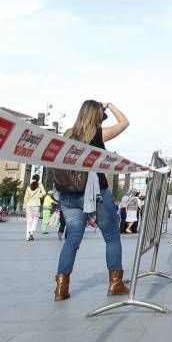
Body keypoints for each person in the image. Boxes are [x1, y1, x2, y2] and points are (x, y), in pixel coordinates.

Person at [53, 100, 131, 301]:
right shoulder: (97, 133)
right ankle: (115, 283)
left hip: (69, 194)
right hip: (95, 192)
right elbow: (124, 123)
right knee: (112, 236)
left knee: (72, 239)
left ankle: (61, 287)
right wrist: (111, 105)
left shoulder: (68, 134)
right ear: (97, 115)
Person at [23, 176, 45, 241]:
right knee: (35, 218)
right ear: (38, 179)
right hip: (36, 204)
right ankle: (32, 231)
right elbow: (44, 193)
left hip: (28, 204)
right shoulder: (40, 185)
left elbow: (26, 197)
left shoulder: (28, 186)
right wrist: (39, 196)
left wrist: (24, 206)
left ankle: (27, 237)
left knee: (29, 220)